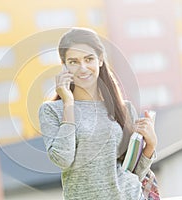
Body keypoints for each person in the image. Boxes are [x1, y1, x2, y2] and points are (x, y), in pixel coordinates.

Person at [38, 27, 157, 200]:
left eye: (89, 59)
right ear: (64, 65)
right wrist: (69, 104)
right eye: (73, 61)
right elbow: (63, 159)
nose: (83, 67)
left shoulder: (124, 109)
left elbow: (132, 172)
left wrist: (151, 146)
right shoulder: (51, 111)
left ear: (100, 60)